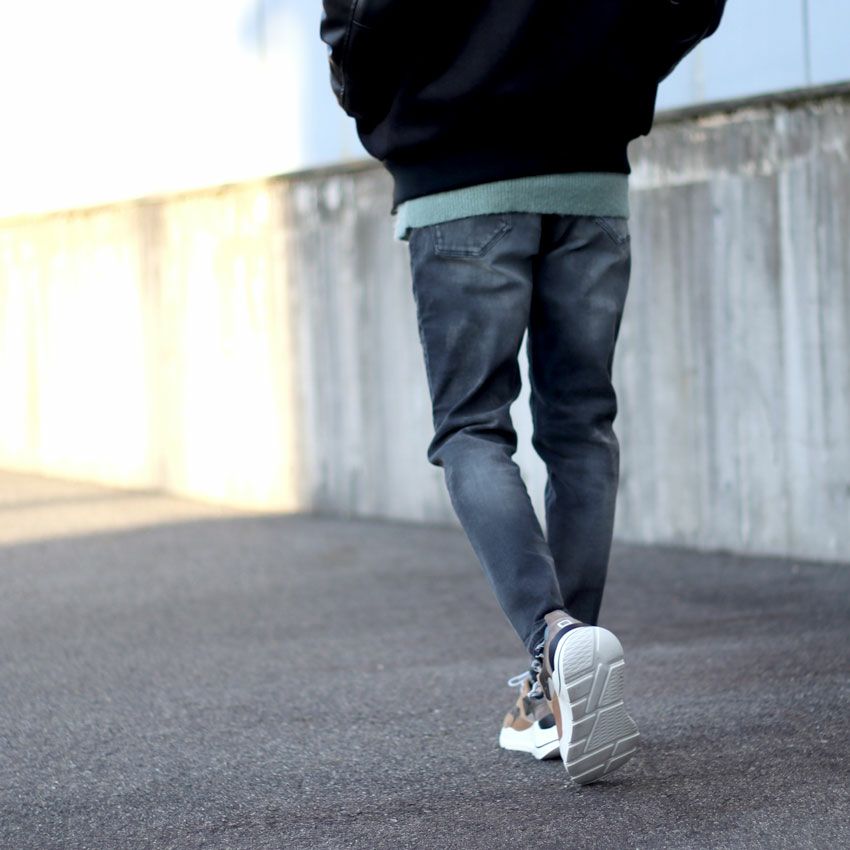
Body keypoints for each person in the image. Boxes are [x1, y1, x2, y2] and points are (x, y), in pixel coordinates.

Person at [320, 0, 727, 784]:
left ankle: (553, 639)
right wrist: (616, 69)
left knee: (471, 430)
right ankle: (561, 692)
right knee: (581, 426)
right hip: (589, 167)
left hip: (457, 169)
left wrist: (377, 97)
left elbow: (361, 13)